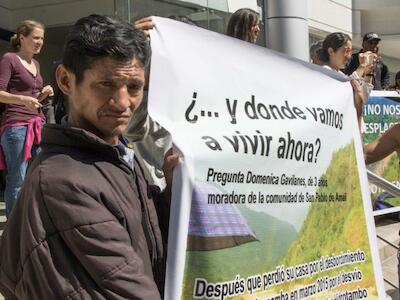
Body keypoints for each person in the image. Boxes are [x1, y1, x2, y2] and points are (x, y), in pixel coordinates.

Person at [0, 14, 178, 299]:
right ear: (66, 81)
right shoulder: (63, 182)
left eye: (134, 87)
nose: (123, 103)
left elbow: (146, 235)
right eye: (106, 85)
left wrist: (172, 190)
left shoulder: (116, 158)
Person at [0, 20, 53, 217]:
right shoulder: (9, 59)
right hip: (16, 126)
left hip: (37, 124)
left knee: (38, 176)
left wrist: (43, 94)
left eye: (42, 38)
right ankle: (14, 227)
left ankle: (30, 219)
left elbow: (32, 101)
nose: (40, 42)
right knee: (18, 178)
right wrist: (22, 99)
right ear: (22, 38)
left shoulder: (36, 64)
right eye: (36, 37)